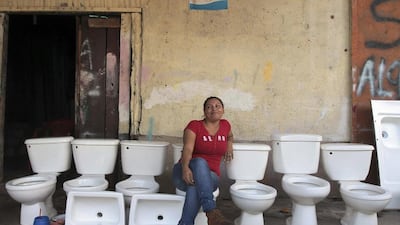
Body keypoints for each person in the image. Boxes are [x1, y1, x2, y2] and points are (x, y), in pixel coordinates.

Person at [173, 96, 234, 225]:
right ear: (204, 111)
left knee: (196, 184)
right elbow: (188, 149)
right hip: (185, 171)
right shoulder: (194, 125)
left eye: (217, 106)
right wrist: (185, 168)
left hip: (211, 177)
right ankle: (211, 212)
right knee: (200, 162)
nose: (213, 109)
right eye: (209, 107)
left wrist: (229, 145)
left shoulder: (225, 125)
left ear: (223, 110)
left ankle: (186, 222)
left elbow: (230, 135)